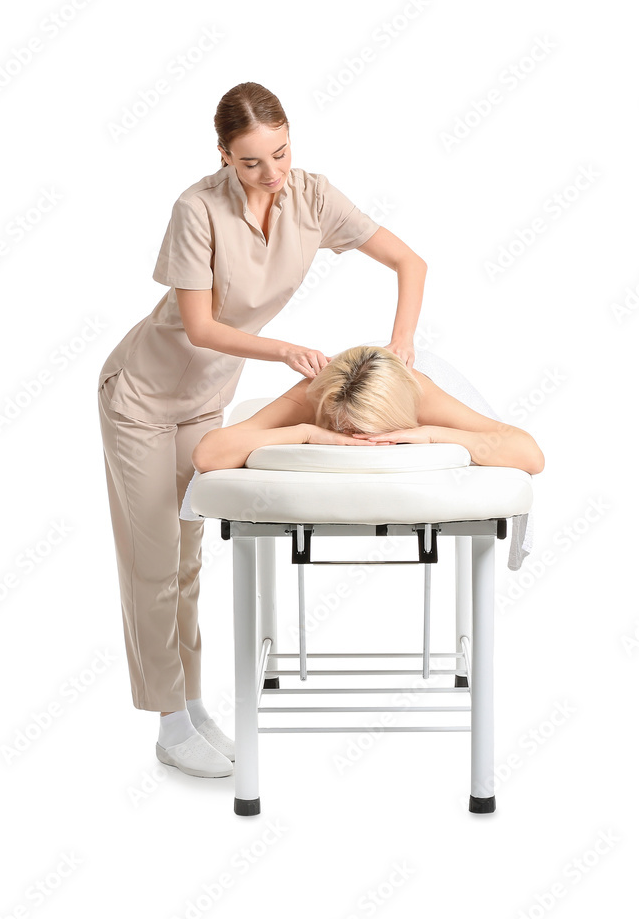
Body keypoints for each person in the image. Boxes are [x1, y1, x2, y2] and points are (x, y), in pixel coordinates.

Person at [97, 83, 428, 779]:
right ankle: (167, 720)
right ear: (223, 157)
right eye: (251, 163)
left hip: (204, 400)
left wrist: (400, 346)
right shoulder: (197, 209)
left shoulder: (312, 197)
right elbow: (200, 327)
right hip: (141, 394)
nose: (271, 173)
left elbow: (409, 262)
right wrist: (282, 352)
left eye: (279, 153)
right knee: (153, 560)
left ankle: (187, 700)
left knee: (188, 558)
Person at [191, 345, 545, 475]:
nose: (354, 439)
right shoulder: (313, 394)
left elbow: (529, 455)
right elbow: (208, 455)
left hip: (407, 378)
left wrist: (432, 433)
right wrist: (307, 433)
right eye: (343, 427)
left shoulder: (423, 395)